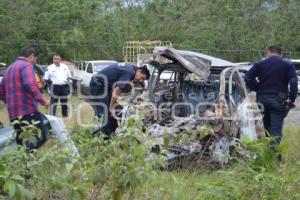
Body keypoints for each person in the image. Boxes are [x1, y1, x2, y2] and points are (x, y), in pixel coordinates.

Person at [245, 46, 298, 157]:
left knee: (266, 128)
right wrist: (291, 99)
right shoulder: (288, 64)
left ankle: (270, 155)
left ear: (268, 53)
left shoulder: (260, 64)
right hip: (278, 100)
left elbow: (248, 78)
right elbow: (293, 82)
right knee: (276, 130)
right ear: (281, 54)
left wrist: (258, 89)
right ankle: (273, 158)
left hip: (262, 100)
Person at [0, 47, 50, 150]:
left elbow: (1, 91)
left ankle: (24, 161)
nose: (35, 62)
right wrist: (43, 101)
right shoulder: (27, 65)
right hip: (27, 110)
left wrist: (9, 102)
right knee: (43, 134)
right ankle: (29, 153)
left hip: (13, 113)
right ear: (32, 56)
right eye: (36, 59)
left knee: (21, 140)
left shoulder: (9, 68)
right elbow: (30, 85)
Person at [89, 63, 150, 137]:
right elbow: (117, 90)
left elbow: (120, 88)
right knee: (104, 116)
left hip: (105, 87)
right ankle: (101, 140)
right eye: (142, 78)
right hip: (98, 86)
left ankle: (109, 134)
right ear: (139, 71)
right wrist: (111, 108)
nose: (141, 80)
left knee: (113, 114)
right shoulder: (130, 72)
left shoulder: (132, 69)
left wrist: (134, 84)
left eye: (143, 80)